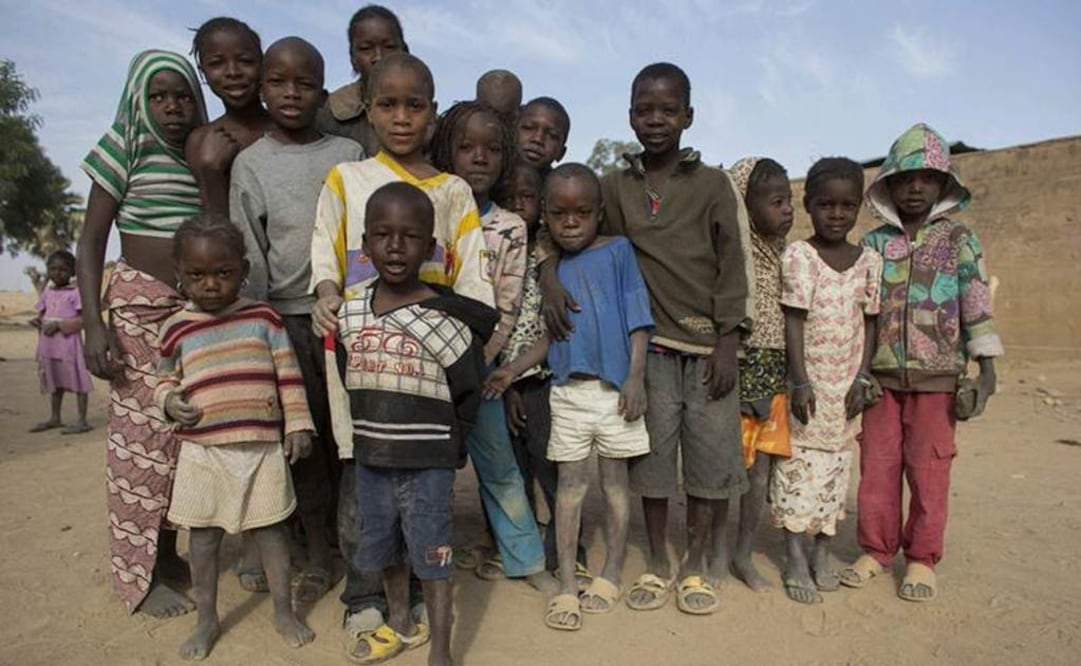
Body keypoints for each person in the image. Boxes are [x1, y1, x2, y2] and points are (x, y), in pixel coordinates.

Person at [540, 62, 751, 616]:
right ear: (630, 114)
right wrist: (546, 277)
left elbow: (732, 263)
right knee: (653, 465)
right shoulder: (613, 186)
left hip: (708, 349)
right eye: (643, 109)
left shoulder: (711, 185)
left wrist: (730, 338)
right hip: (649, 347)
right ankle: (658, 562)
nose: (654, 120)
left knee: (707, 464)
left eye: (667, 109)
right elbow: (565, 230)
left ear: (688, 116)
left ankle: (698, 565)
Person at [307, 52, 492, 663]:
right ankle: (367, 601)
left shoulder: (453, 190)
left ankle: (417, 596)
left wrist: (439, 327)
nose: (402, 117)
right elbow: (326, 262)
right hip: (364, 362)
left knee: (423, 497)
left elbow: (474, 289)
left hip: (426, 377)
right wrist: (329, 296)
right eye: (388, 104)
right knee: (365, 483)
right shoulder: (346, 179)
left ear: (433, 113)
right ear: (368, 110)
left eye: (415, 105)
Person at [334, 181, 495, 666]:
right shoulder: (351, 310)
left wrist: (449, 448)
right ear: (365, 244)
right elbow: (351, 373)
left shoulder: (445, 320)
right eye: (383, 234)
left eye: (410, 236)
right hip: (372, 459)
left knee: (433, 554)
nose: (396, 246)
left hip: (428, 464)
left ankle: (442, 651)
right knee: (381, 544)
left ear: (430, 246)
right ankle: (401, 621)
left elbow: (468, 390)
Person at [840, 123, 1003, 602]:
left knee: (929, 471)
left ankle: (921, 558)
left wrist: (986, 374)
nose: (916, 187)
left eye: (927, 178)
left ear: (943, 185)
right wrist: (857, 370)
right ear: (888, 184)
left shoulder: (959, 241)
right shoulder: (874, 245)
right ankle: (875, 549)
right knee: (878, 468)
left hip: (939, 382)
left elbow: (976, 305)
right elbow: (859, 310)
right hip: (881, 380)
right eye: (906, 178)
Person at [486, 163, 653, 631]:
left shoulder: (619, 252)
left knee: (617, 486)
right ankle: (565, 585)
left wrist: (636, 379)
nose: (571, 222)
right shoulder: (551, 271)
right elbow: (550, 338)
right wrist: (512, 371)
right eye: (559, 214)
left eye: (582, 213)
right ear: (546, 216)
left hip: (616, 393)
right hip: (568, 395)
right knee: (572, 488)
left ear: (600, 212)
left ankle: (612, 573)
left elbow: (639, 322)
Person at [229, 36, 364, 606]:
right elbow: (251, 254)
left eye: (304, 83)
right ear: (262, 89)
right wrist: (261, 332)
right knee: (302, 446)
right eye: (279, 82)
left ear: (323, 93)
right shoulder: (250, 164)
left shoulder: (347, 156)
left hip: (346, 319)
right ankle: (315, 553)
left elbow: (364, 238)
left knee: (348, 441)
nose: (290, 93)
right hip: (282, 324)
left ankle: (353, 545)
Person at [76, 49, 207, 618]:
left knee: (187, 441)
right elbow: (90, 243)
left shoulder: (202, 154)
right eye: (158, 97)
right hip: (135, 317)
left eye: (181, 96)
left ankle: (170, 554)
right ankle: (140, 575)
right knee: (139, 451)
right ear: (137, 100)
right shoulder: (121, 147)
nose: (172, 108)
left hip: (194, 318)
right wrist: (93, 324)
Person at [156, 214, 315, 660]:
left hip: (261, 447)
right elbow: (164, 378)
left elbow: (288, 375)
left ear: (243, 271)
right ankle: (207, 619)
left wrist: (299, 423)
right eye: (197, 275)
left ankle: (284, 611)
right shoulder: (175, 328)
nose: (210, 284)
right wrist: (169, 402)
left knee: (271, 532)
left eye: (223, 273)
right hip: (203, 450)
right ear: (179, 275)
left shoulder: (264, 318)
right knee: (203, 537)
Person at [430, 101, 552, 592]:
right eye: (466, 147)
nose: (478, 157)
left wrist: (476, 362)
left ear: (505, 159)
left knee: (500, 467)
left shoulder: (510, 227)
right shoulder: (426, 207)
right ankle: (426, 569)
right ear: (447, 152)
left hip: (479, 364)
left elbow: (507, 305)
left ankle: (527, 561)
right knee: (429, 474)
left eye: (492, 149)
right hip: (422, 366)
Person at [771, 157, 883, 604]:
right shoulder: (801, 256)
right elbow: (793, 321)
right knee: (798, 472)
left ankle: (822, 552)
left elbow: (870, 323)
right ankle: (795, 556)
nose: (836, 215)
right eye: (826, 205)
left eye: (847, 206)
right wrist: (799, 381)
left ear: (859, 207)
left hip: (845, 388)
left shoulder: (869, 261)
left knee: (836, 473)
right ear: (808, 205)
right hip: (809, 386)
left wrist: (863, 375)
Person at [497, 162, 591, 587]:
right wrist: (509, 381)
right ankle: (522, 550)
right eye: (512, 197)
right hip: (504, 378)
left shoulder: (555, 254)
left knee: (552, 468)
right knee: (513, 471)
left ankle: (570, 549)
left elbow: (556, 329)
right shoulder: (499, 248)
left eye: (529, 198)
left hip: (546, 379)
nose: (520, 205)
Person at [726, 157, 794, 591]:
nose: (787, 209)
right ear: (745, 206)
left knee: (761, 473)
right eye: (775, 202)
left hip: (776, 376)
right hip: (737, 372)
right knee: (725, 470)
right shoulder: (734, 255)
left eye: (789, 201)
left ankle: (743, 553)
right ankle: (713, 550)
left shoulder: (791, 255)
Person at [185, 17, 273, 215]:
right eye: (217, 63)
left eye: (245, 61)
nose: (233, 72)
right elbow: (216, 228)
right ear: (203, 72)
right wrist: (210, 172)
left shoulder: (291, 128)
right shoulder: (202, 142)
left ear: (263, 63)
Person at [316, 4, 407, 155]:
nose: (378, 57)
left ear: (404, 51)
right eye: (366, 48)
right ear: (353, 58)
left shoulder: (422, 111)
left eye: (389, 47)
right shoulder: (330, 112)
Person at [28, 250, 93, 435]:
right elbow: (43, 314)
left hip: (69, 345)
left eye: (63, 269)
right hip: (49, 345)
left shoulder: (76, 293)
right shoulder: (47, 293)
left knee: (79, 381)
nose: (57, 273)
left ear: (72, 272)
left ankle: (82, 420)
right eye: (53, 269)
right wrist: (38, 322)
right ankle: (55, 417)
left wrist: (60, 325)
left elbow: (84, 319)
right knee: (55, 381)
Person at [516, 96, 569, 172]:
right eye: (528, 127)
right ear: (512, 131)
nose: (538, 139)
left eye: (552, 135)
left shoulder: (562, 183)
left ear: (561, 153)